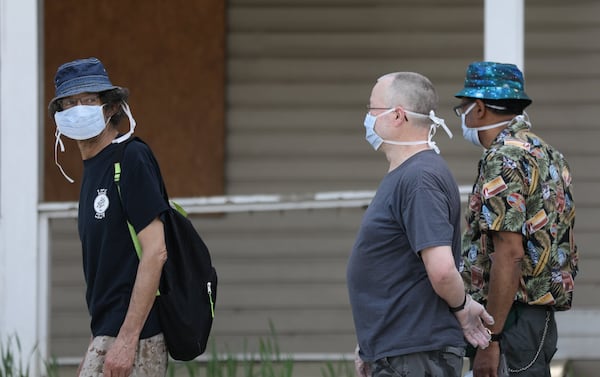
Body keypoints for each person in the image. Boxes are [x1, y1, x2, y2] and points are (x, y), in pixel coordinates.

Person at [347, 72, 495, 377]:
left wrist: (463, 308)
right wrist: (370, 346)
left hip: (414, 355)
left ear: (398, 116)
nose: (367, 118)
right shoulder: (408, 175)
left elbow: (441, 270)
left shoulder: (420, 179)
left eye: (372, 109)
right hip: (396, 351)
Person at [455, 61, 579, 377]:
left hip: (510, 320)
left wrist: (490, 340)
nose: (463, 118)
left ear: (479, 108)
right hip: (539, 319)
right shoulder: (548, 154)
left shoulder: (501, 159)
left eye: (463, 109)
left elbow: (509, 255)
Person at [48, 57, 169, 376]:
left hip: (137, 339)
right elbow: (111, 273)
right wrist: (94, 347)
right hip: (108, 335)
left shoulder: (130, 158)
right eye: (69, 103)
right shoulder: (93, 171)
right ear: (59, 116)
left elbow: (155, 251)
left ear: (112, 107)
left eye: (89, 100)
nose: (78, 109)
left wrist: (127, 341)